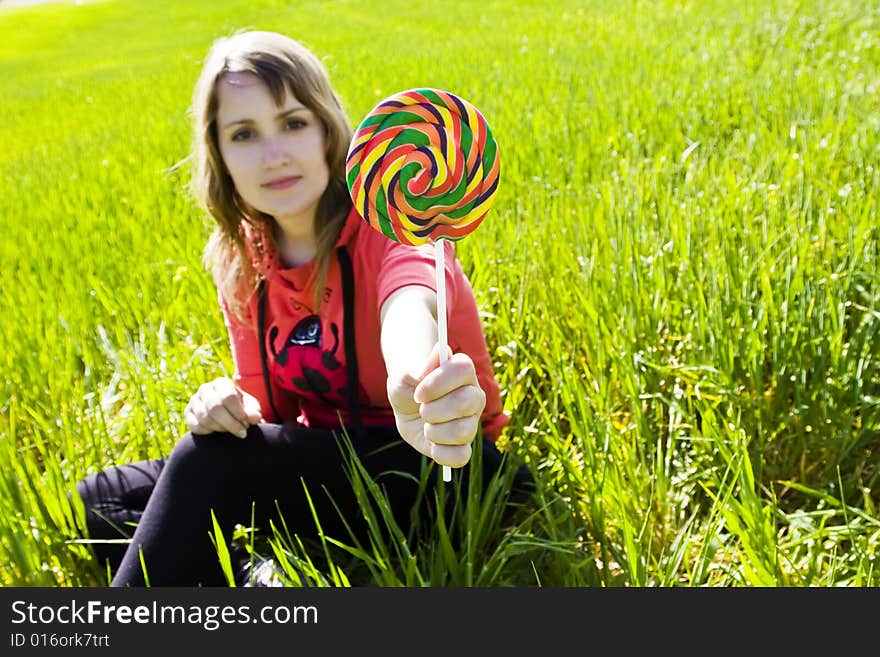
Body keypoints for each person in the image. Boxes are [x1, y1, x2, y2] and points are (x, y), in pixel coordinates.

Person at [75, 29, 532, 587]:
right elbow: (266, 409)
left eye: (293, 122)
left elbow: (409, 296)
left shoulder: (394, 222)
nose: (274, 155)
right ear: (219, 154)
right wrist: (222, 404)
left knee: (202, 465)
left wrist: (414, 374)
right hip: (331, 467)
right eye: (244, 133)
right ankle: (255, 585)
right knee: (99, 500)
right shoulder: (243, 261)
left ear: (328, 129)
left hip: (442, 468)